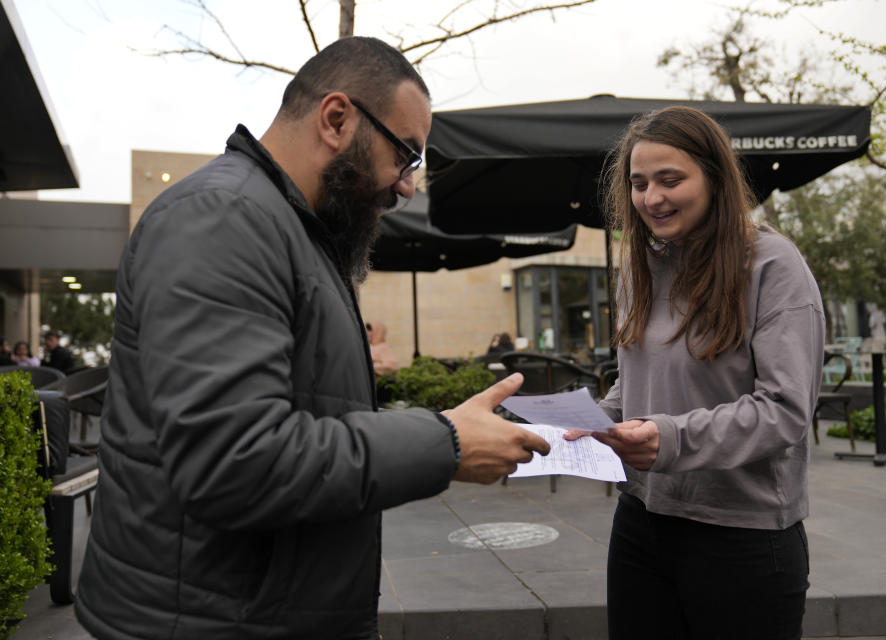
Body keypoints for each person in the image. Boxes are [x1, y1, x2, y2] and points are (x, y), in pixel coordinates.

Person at [75, 36, 550, 640]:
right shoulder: (223, 219)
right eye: (406, 154)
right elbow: (235, 462)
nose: (407, 186)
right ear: (336, 118)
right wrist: (445, 442)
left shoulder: (289, 229)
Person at [567, 106, 824, 640]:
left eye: (670, 179)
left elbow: (786, 409)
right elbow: (634, 380)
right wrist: (586, 422)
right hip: (641, 519)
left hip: (743, 535)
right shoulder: (641, 266)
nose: (651, 198)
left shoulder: (773, 265)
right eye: (639, 184)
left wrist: (671, 437)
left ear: (714, 177)